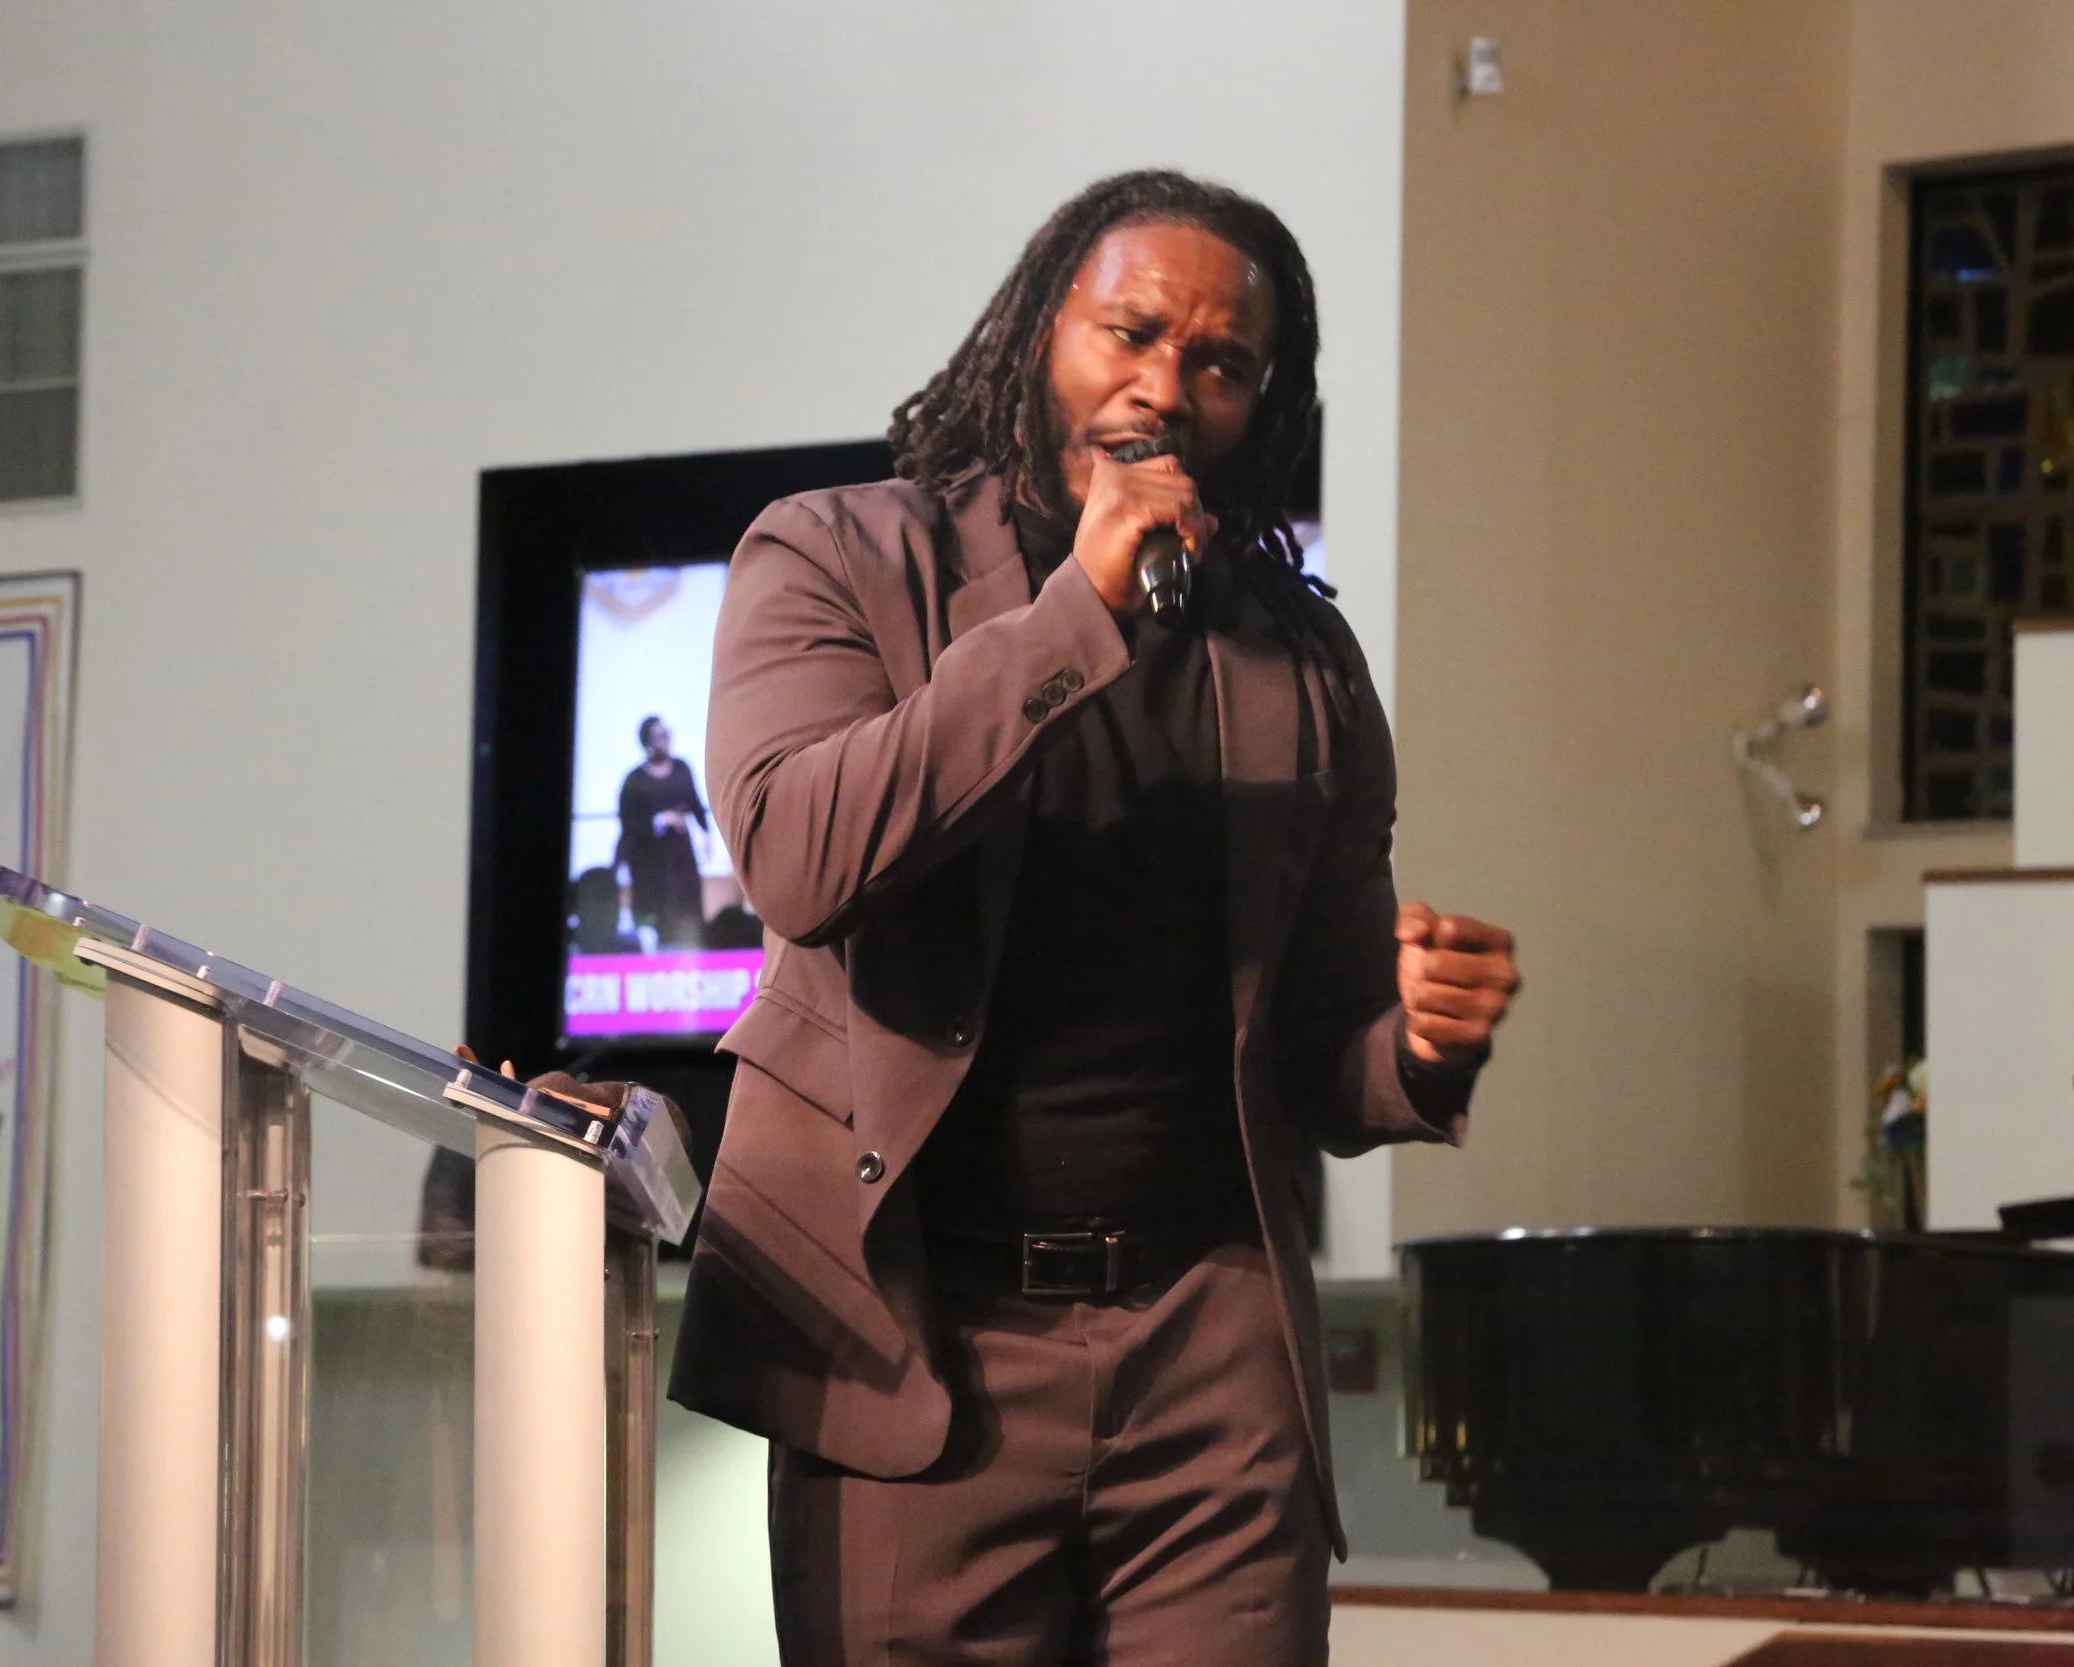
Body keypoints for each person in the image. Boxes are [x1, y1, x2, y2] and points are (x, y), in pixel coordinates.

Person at [668, 171, 1521, 1666]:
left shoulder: (1302, 663)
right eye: (1129, 334)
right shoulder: (836, 557)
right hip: (912, 1343)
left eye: (1222, 363)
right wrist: (1080, 618)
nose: (1165, 387)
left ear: (1265, 402)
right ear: (1033, 332)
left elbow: (1327, 1058)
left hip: (1207, 1362)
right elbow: (802, 856)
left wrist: (1425, 1042)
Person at [615, 715, 710, 949]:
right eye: (659, 736)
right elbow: (628, 824)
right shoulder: (634, 781)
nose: (665, 740)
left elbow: (696, 804)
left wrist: (707, 835)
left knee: (687, 920)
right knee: (656, 924)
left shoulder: (681, 769)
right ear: (647, 741)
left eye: (667, 734)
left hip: (682, 862)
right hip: (650, 865)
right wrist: (659, 820)